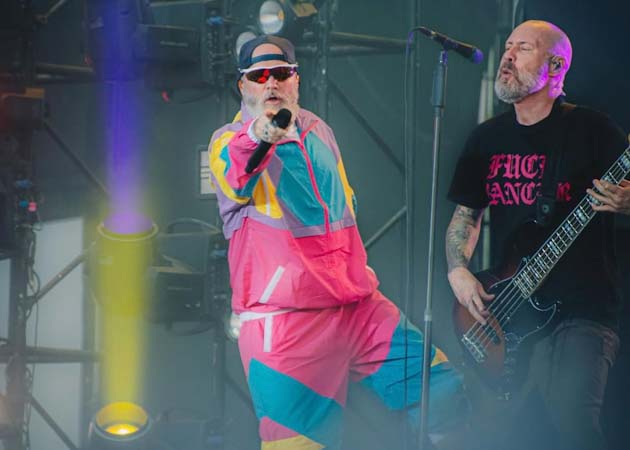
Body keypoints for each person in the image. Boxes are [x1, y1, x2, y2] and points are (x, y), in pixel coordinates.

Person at [208, 35, 464, 449]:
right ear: (243, 85)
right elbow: (236, 171)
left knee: (443, 392)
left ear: (296, 78)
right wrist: (262, 131)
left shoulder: (318, 129)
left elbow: (344, 202)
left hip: (356, 305)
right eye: (259, 75)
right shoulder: (229, 139)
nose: (271, 82)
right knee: (298, 445)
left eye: (281, 73)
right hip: (288, 324)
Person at [446, 20, 630, 450]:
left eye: (523, 48)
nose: (508, 56)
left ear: (555, 66)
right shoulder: (486, 138)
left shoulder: (591, 129)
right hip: (509, 312)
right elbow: (466, 217)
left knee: (573, 423)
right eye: (508, 46)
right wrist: (458, 271)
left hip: (583, 310)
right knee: (493, 435)